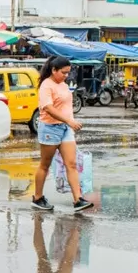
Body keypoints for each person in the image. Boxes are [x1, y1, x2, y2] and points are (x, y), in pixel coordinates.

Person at [32, 57, 93, 212]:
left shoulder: (64, 85)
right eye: (63, 72)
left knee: (71, 164)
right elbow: (48, 108)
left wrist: (69, 122)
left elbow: (66, 106)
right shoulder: (46, 85)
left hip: (65, 129)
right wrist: (70, 121)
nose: (66, 75)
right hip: (50, 129)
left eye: (68, 72)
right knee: (44, 165)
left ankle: (78, 199)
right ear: (54, 70)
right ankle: (37, 198)